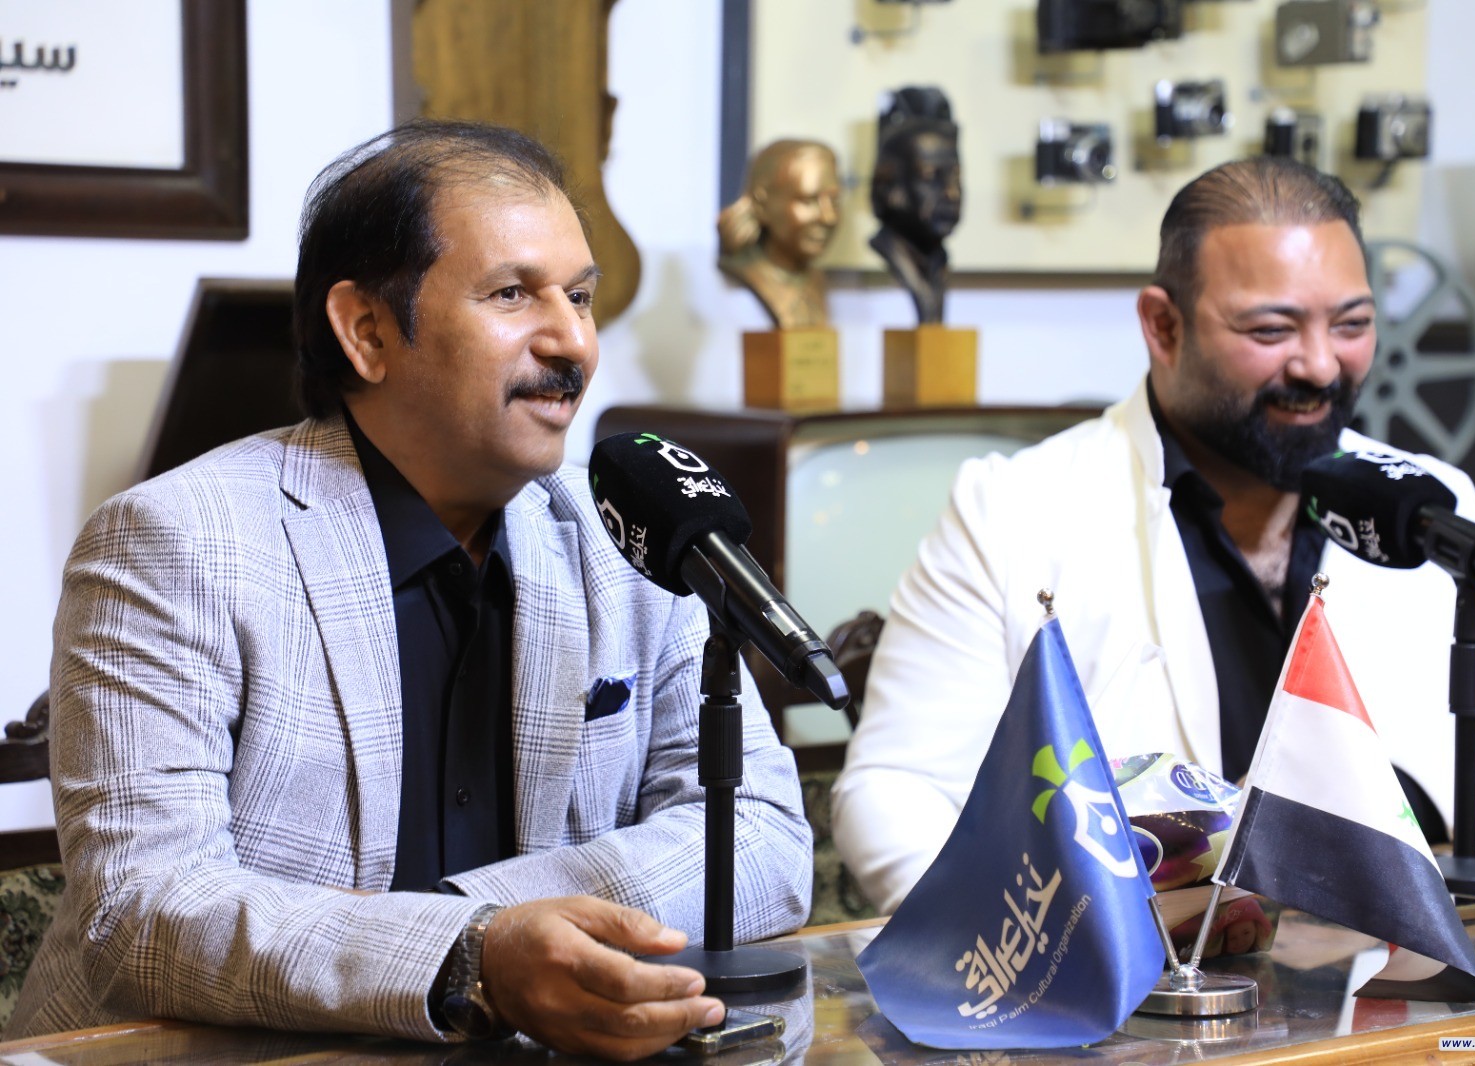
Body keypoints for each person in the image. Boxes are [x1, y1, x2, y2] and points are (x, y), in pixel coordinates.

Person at [6, 121, 811, 1057]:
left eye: (580, 297)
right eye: (512, 293)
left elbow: (763, 840)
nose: (572, 343)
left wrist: (474, 927)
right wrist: (466, 955)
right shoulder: (174, 545)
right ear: (367, 331)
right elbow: (144, 912)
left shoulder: (630, 537)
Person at [833, 156, 1475, 914]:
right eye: (1271, 329)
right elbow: (894, 793)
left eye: (1353, 324)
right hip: (1118, 974)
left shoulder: (1422, 505)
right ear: (1162, 326)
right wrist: (1061, 938)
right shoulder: (1010, 510)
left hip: (1376, 976)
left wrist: (1385, 816)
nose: (1320, 365)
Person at [717, 139, 841, 330]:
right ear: (762, 203)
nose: (829, 217)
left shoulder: (817, 282)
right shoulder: (748, 279)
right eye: (808, 201)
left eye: (834, 201)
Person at [869, 88, 963, 326]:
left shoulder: (938, 263)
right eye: (931, 178)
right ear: (890, 187)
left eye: (956, 178)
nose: (951, 193)